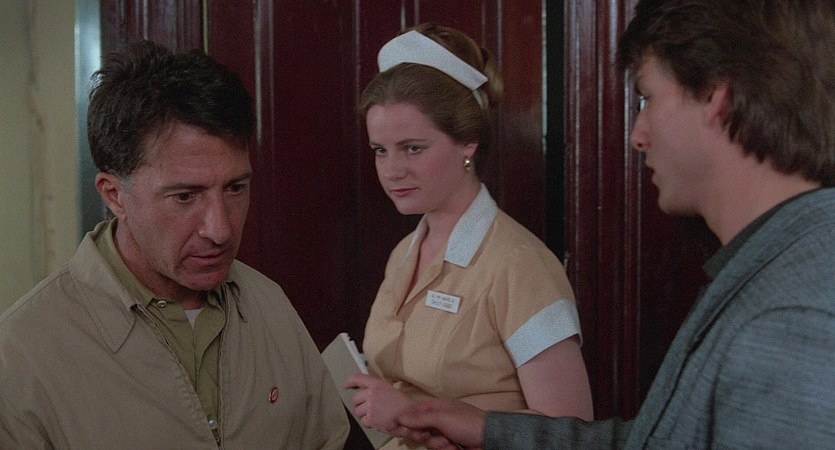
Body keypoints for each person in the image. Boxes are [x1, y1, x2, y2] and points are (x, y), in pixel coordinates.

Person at [389, 0, 835, 449]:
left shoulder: (794, 318)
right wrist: (488, 429)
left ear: (716, 99)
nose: (637, 135)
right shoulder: (780, 264)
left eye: (647, 98)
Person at [0, 41, 349, 448]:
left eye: (235, 188)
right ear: (114, 195)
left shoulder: (269, 305)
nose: (220, 230)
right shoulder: (22, 354)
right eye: (185, 196)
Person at [344, 23, 594, 449]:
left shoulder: (520, 266)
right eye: (380, 151)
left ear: (468, 143)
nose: (392, 171)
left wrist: (416, 414)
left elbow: (569, 431)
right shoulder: (404, 253)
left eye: (413, 148)